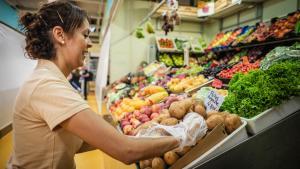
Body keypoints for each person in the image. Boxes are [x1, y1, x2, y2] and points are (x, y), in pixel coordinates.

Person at [11, 1, 179, 169]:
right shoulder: (47, 86)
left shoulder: (49, 79)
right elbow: (126, 151)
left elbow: (75, 141)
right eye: (85, 35)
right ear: (60, 35)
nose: (90, 43)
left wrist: (122, 129)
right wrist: (182, 137)